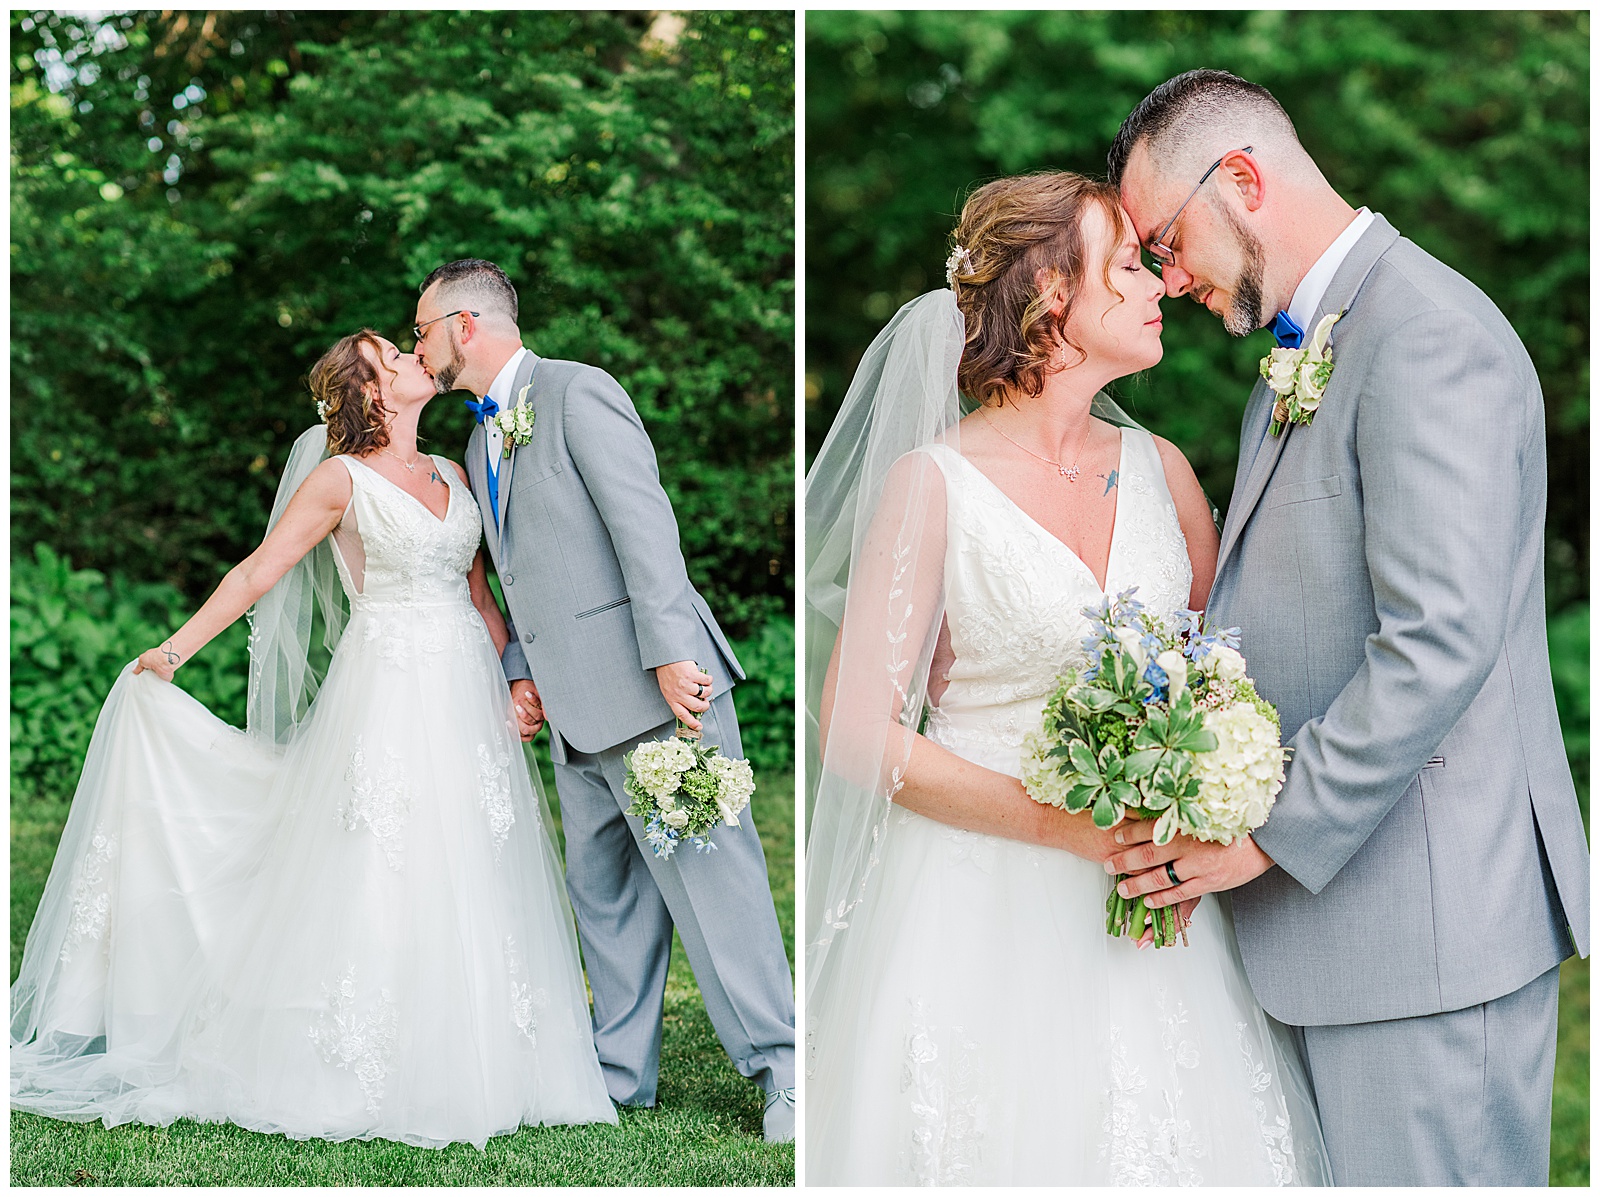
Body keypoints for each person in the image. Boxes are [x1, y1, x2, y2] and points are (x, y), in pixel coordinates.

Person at [1104, 69, 1590, 1186]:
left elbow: (1437, 641)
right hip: (1339, 932)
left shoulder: (1423, 335)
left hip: (1423, 928)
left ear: (1242, 179)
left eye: (1165, 241)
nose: (1166, 279)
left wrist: (1262, 835)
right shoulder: (1303, 344)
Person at [804, 172, 1331, 1184]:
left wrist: (1193, 800)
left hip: (1150, 908)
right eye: (1127, 265)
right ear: (1051, 295)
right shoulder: (933, 484)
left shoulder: (1164, 471)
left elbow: (1218, 684)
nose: (1156, 285)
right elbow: (860, 730)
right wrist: (1075, 828)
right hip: (977, 896)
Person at [11, 330, 617, 1147]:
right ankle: (360, 1058)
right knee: (382, 856)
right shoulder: (340, 481)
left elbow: (479, 592)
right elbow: (260, 571)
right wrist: (173, 651)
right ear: (371, 393)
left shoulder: (456, 470)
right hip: (391, 688)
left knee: (473, 850)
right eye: (392, 357)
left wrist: (516, 677)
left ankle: (486, 1048)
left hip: (467, 690)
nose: (411, 358)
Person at [411, 260, 795, 1141]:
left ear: (466, 325)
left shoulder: (579, 393)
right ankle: (622, 1074)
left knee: (713, 885)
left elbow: (645, 525)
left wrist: (669, 654)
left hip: (658, 693)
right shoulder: (478, 442)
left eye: (423, 327)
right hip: (571, 713)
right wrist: (520, 671)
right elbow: (516, 577)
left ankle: (784, 1065)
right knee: (606, 898)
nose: (417, 345)